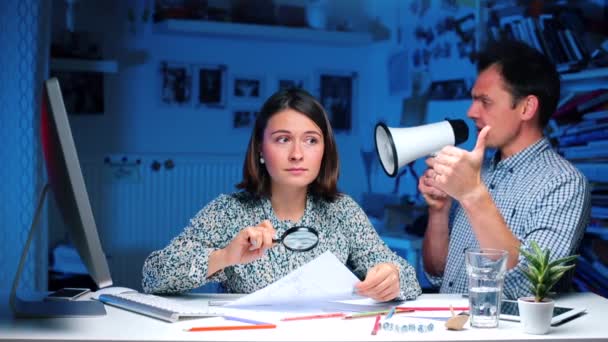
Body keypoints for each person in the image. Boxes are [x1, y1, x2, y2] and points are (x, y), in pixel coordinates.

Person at [142, 88, 422, 301]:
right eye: (283, 139)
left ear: (325, 151)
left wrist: (393, 277)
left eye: (311, 140)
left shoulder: (342, 211)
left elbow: (409, 279)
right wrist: (225, 256)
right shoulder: (229, 211)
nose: (297, 154)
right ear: (261, 150)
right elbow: (153, 275)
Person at [419, 40, 590, 300]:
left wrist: (473, 195)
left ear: (526, 108)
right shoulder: (480, 172)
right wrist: (439, 211)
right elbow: (438, 273)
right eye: (473, 100)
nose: (471, 112)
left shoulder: (564, 184)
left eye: (485, 101)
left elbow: (530, 288)